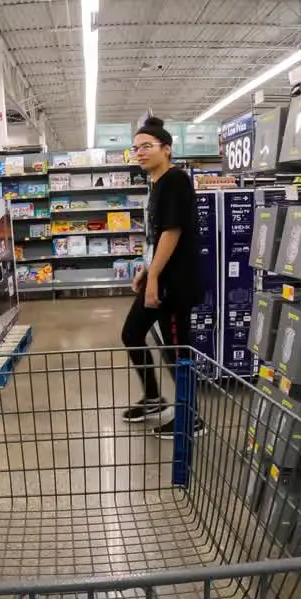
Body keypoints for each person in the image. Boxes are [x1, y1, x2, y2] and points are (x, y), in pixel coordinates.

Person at [120, 117, 206, 439]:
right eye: (136, 148)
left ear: (166, 149)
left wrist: (154, 276)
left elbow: (173, 231)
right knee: (132, 333)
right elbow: (159, 238)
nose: (139, 153)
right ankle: (155, 399)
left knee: (177, 350)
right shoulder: (158, 183)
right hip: (161, 275)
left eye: (146, 147)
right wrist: (147, 268)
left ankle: (191, 417)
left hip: (176, 285)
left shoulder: (175, 180)